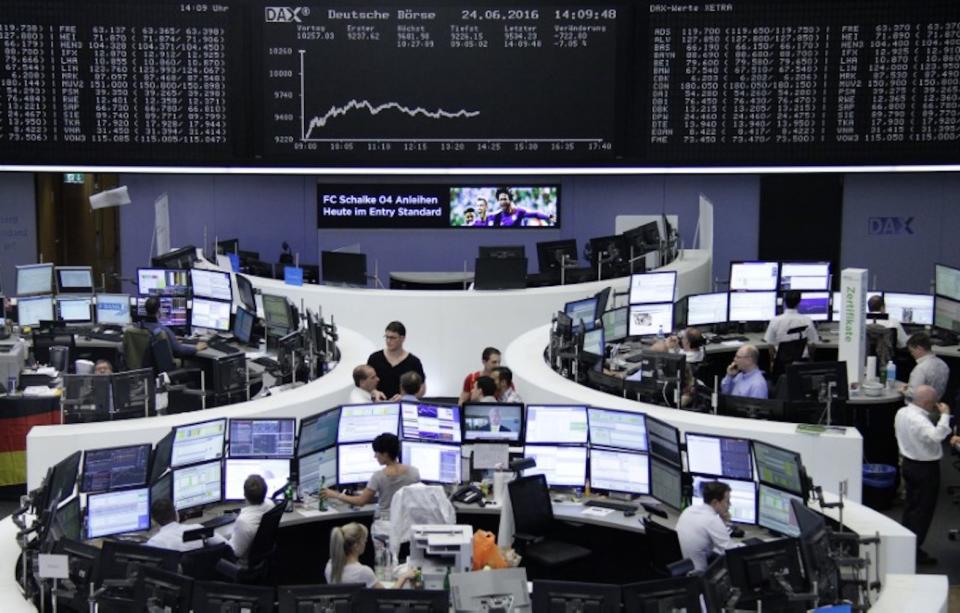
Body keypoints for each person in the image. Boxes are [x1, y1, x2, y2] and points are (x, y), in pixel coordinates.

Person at [894, 385, 952, 565]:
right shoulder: (920, 420)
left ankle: (906, 544)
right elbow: (936, 436)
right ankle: (914, 552)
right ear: (928, 403)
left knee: (911, 507)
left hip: (909, 464)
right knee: (923, 511)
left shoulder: (902, 412)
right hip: (925, 469)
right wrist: (945, 416)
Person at [323, 433, 420, 519]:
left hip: (386, 525)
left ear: (385, 454)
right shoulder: (414, 472)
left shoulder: (379, 476)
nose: (375, 456)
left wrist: (335, 495)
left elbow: (361, 501)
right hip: (406, 524)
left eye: (377, 452)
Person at [326, 522, 413, 588]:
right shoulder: (363, 572)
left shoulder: (330, 567)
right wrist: (404, 576)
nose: (366, 543)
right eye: (364, 540)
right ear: (356, 546)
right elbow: (388, 595)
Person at [676, 481, 738, 572]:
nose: (729, 505)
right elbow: (731, 552)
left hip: (681, 567)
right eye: (727, 501)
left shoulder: (689, 510)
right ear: (715, 502)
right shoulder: (712, 520)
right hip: (697, 575)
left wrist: (722, 522)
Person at [367, 321, 426, 399]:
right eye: (386, 337)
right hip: (379, 405)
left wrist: (406, 398)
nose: (388, 341)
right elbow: (365, 382)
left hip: (403, 406)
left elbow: (422, 387)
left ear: (402, 338)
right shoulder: (374, 358)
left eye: (392, 338)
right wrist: (373, 392)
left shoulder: (414, 362)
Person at [227, 474, 276, 563]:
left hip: (243, 565)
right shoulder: (270, 504)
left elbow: (236, 553)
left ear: (244, 494)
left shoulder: (244, 521)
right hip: (262, 560)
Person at [145, 498, 224, 552]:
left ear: (153, 521)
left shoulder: (154, 543)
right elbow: (228, 547)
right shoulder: (198, 529)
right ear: (176, 514)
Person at [141, 296, 206, 356]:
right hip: (164, 366)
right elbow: (179, 350)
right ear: (159, 311)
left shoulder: (138, 327)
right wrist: (196, 348)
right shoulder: (164, 330)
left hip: (145, 364)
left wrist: (171, 338)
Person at [763, 290, 819, 360]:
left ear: (784, 302)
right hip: (801, 364)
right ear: (799, 303)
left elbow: (771, 346)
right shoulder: (807, 320)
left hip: (780, 364)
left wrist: (772, 362)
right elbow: (812, 344)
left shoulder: (775, 320)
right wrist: (810, 360)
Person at [901, 333, 950, 400]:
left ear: (919, 348)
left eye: (912, 351)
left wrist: (903, 391)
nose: (911, 354)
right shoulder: (944, 365)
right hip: (935, 405)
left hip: (917, 407)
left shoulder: (921, 369)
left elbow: (913, 394)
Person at [486, 187, 554, 227]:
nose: (503, 202)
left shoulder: (519, 212)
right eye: (501, 200)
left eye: (505, 199)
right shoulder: (496, 216)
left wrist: (550, 217)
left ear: (510, 199)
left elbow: (536, 214)